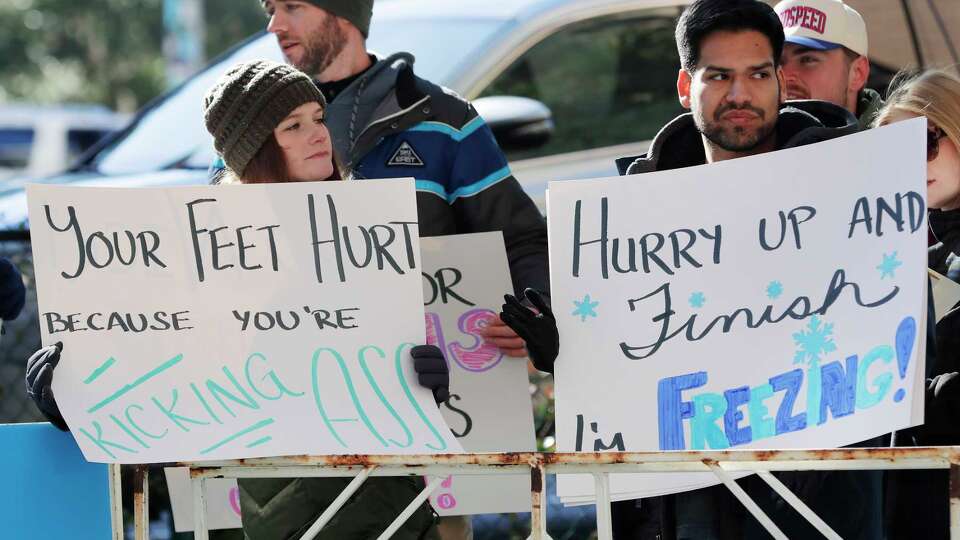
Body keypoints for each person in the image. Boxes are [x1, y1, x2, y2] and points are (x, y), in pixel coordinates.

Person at [27, 60, 452, 540]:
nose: (318, 134)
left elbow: (392, 368)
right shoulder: (205, 255)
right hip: (259, 512)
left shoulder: (369, 235)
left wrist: (424, 380)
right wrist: (80, 400)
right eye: (293, 126)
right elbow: (165, 378)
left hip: (385, 510)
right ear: (256, 151)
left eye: (318, 118)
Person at [610, 1, 879, 538]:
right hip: (689, 500)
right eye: (720, 77)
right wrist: (562, 344)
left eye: (758, 75)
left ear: (780, 81)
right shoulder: (633, 211)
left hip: (825, 500)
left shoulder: (857, 187)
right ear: (686, 88)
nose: (740, 95)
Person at [254, 0, 550, 365]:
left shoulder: (445, 118)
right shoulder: (257, 128)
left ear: (345, 14)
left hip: (439, 383)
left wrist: (532, 312)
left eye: (291, 7)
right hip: (301, 378)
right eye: (270, 10)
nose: (274, 25)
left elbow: (520, 240)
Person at [875, 68, 960, 539]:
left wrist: (917, 398)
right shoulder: (910, 263)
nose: (909, 164)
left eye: (924, 142)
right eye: (892, 157)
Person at [774, 0, 882, 128]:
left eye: (807, 60)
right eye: (777, 63)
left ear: (858, 73)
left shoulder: (901, 141)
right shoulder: (751, 140)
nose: (784, 77)